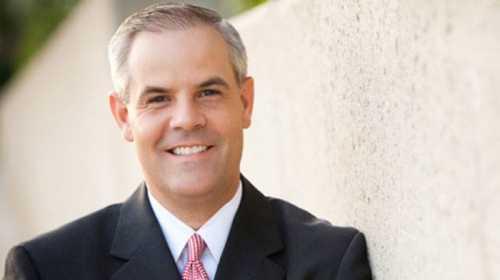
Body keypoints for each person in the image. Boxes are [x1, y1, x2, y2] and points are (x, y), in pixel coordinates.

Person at [3, 2, 373, 280]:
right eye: (158, 98)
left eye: (209, 92)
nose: (187, 119)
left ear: (245, 103)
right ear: (124, 117)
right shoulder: (48, 269)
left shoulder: (329, 261)